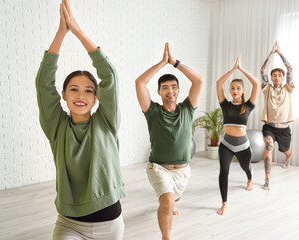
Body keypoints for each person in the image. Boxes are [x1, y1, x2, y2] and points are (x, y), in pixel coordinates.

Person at [35, 1, 126, 239]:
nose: (81, 96)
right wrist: (61, 33)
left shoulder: (107, 122)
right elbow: (43, 84)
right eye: (73, 89)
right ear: (63, 95)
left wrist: (77, 30)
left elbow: (110, 76)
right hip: (70, 224)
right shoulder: (56, 127)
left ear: (96, 98)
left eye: (88, 90)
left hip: (110, 224)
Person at [135, 43, 203, 240]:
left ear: (179, 90)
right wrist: (162, 63)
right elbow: (140, 83)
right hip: (159, 167)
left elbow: (198, 80)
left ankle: (171, 203)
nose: (170, 91)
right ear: (159, 92)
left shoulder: (187, 109)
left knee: (174, 199)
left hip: (182, 171)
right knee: (167, 201)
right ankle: (166, 237)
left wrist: (174, 63)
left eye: (174, 87)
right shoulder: (153, 111)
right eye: (165, 88)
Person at [216, 55, 259, 215]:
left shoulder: (248, 105)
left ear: (243, 90)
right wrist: (232, 70)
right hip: (226, 145)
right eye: (232, 88)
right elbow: (218, 83)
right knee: (224, 171)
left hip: (243, 146)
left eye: (238, 88)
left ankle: (250, 177)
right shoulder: (225, 105)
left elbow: (256, 83)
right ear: (229, 90)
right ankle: (224, 203)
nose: (235, 91)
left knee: (245, 167)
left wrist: (241, 69)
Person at [260, 41, 294, 191]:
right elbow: (262, 70)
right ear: (272, 78)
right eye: (274, 75)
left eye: (280, 75)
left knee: (285, 150)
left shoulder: (288, 88)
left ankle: (287, 157)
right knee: (268, 146)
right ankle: (267, 180)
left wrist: (280, 53)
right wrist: (271, 54)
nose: (277, 77)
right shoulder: (267, 88)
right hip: (269, 127)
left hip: (284, 129)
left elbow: (290, 68)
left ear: (283, 78)